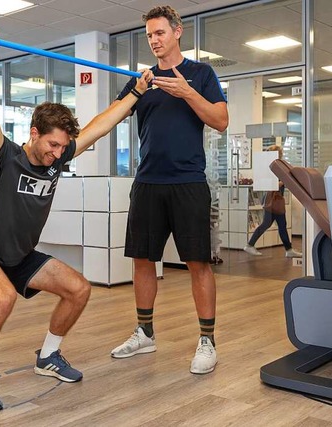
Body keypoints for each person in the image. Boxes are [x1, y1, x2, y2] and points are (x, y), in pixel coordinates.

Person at [0, 26, 153, 412]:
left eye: (63, 147)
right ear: (34, 134)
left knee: (79, 289)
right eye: (52, 144)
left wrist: (135, 93)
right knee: (2, 299)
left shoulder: (58, 158)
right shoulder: (5, 155)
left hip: (21, 255)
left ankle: (48, 356)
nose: (58, 153)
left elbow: (100, 124)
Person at [109, 5, 228, 375]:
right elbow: (113, 115)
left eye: (159, 33)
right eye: (149, 35)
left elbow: (221, 121)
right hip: (147, 183)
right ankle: (144, 332)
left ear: (178, 32)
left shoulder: (201, 74)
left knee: (198, 262)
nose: (154, 40)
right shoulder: (141, 81)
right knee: (143, 260)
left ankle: (207, 341)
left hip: (189, 183)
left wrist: (187, 93)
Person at [243, 145, 302, 258]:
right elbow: (271, 183)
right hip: (273, 199)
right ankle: (250, 245)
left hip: (276, 199)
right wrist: (283, 181)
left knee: (280, 225)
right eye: (280, 153)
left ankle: (288, 249)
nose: (281, 155)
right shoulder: (271, 167)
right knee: (268, 224)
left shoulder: (277, 166)